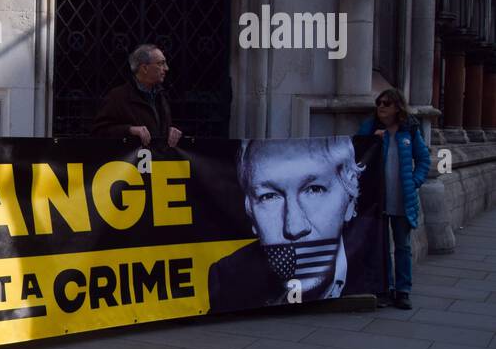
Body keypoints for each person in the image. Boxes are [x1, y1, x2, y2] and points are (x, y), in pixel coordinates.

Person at [210, 137, 367, 310]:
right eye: (269, 196)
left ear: (350, 200)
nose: (294, 228)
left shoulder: (375, 268)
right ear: (250, 210)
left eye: (314, 189)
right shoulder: (229, 278)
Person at [358, 88, 431, 310]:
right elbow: (356, 151)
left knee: (403, 246)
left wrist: (415, 181)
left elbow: (424, 159)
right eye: (379, 103)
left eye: (386, 103)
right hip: (378, 199)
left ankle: (403, 291)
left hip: (403, 199)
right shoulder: (371, 127)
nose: (381, 107)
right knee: (380, 246)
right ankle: (384, 289)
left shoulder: (410, 130)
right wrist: (372, 140)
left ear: (397, 107)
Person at [92, 44, 183, 147]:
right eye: (161, 63)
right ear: (144, 68)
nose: (166, 68)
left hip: (158, 161)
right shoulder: (118, 97)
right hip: (131, 161)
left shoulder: (161, 95)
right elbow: (98, 131)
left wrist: (171, 130)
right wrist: (130, 130)